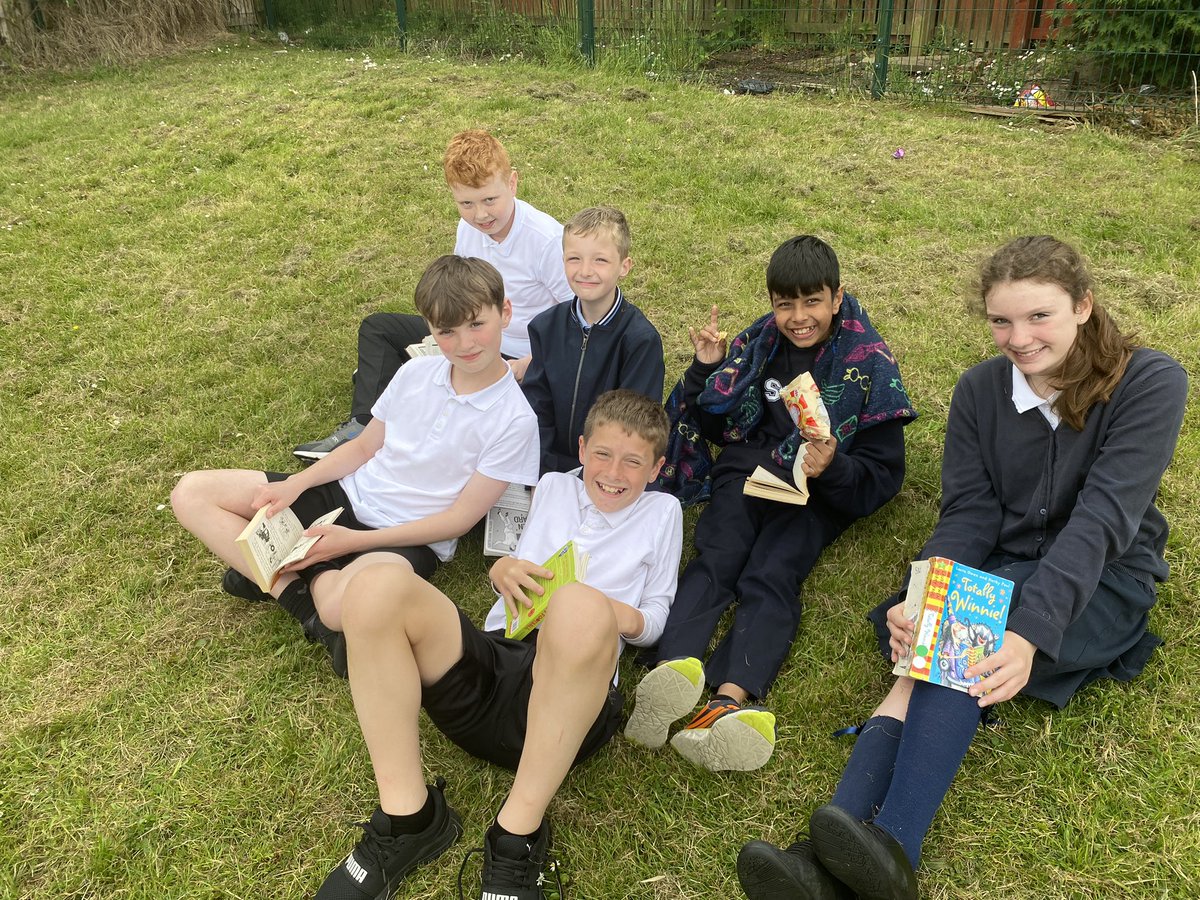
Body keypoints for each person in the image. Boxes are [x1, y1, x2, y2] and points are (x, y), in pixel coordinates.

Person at [736, 236, 1188, 900]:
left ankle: (891, 848)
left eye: (1040, 317)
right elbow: (970, 512)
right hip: (1003, 566)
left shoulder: (1150, 381)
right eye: (1002, 320)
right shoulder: (980, 389)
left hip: (1102, 579)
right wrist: (925, 589)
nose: (1019, 338)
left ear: (1084, 306)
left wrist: (1027, 633)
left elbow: (1102, 522)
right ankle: (828, 863)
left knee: (956, 640)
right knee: (937, 633)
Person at [312, 390, 683, 900]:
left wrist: (597, 609)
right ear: (581, 449)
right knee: (376, 586)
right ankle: (408, 817)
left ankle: (515, 838)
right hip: (492, 670)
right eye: (602, 454)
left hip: (570, 702)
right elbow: (516, 565)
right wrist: (501, 569)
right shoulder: (553, 487)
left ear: (657, 468)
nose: (613, 471)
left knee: (576, 606)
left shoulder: (663, 513)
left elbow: (657, 619)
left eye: (633, 461)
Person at [624, 235, 917, 771]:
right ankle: (670, 672)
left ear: (836, 296)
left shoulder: (868, 362)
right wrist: (705, 369)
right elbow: (715, 425)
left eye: (812, 302)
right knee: (717, 557)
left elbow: (883, 477)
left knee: (773, 573)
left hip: (814, 494)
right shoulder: (757, 343)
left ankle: (727, 701)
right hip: (748, 471)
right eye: (785, 304)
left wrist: (834, 468)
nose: (798, 316)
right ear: (772, 302)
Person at [172, 256, 540, 673]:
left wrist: (350, 542)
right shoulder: (416, 372)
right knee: (191, 492)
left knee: (334, 607)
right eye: (447, 332)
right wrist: (296, 483)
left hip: (407, 537)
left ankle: (282, 575)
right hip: (346, 493)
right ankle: (295, 587)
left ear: (504, 312)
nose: (465, 343)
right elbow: (364, 448)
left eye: (477, 324)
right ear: (430, 330)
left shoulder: (516, 420)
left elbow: (457, 520)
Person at [293, 129, 572, 461]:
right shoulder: (468, 227)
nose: (480, 215)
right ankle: (364, 425)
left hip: (522, 356)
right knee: (379, 327)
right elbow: (458, 290)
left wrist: (526, 365)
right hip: (471, 333)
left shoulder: (547, 241)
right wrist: (446, 337)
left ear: (512, 183)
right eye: (466, 203)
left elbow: (578, 324)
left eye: (489, 200)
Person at [522, 205, 665, 474]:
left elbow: (634, 427)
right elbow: (537, 409)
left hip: (607, 471)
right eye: (574, 259)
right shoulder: (545, 327)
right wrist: (544, 469)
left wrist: (591, 471)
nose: (585, 271)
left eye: (600, 260)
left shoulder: (640, 341)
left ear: (624, 266)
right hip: (548, 465)